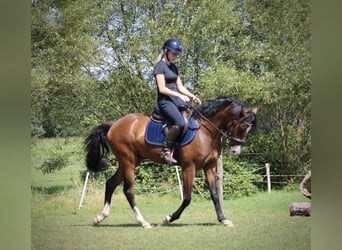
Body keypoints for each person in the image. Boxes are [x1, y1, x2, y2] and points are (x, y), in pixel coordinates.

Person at [153, 38, 201, 164]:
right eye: (174, 53)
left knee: (192, 115)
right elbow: (162, 89)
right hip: (165, 102)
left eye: (177, 54)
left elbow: (180, 86)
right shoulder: (159, 67)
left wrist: (192, 96)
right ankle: (166, 150)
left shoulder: (173, 67)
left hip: (175, 100)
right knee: (179, 123)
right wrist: (179, 96)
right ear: (166, 51)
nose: (175, 56)